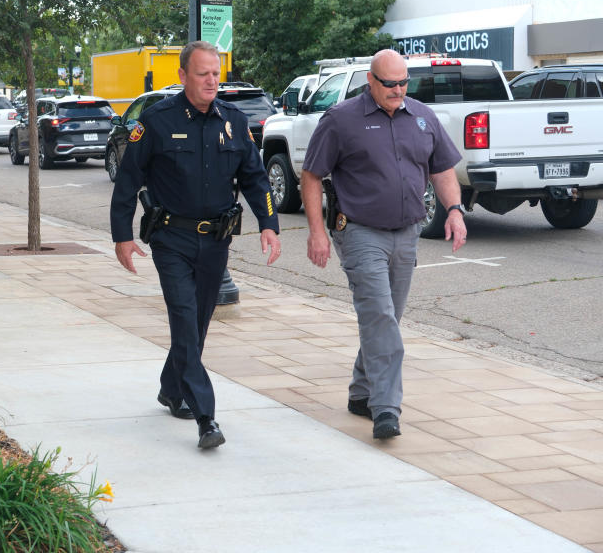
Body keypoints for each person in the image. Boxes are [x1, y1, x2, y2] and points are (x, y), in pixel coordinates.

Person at [110, 41, 282, 450]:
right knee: (185, 320)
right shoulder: (155, 121)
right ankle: (205, 416)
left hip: (216, 241)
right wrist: (122, 235)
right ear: (183, 76)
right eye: (203, 73)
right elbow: (128, 180)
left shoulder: (235, 122)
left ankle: (172, 387)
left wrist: (269, 224)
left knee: (199, 322)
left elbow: (256, 179)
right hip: (171, 239)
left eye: (215, 73)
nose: (211, 80)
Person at [301, 49, 467, 441]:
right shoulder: (341, 120)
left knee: (386, 317)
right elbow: (310, 176)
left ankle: (361, 393)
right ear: (371, 81)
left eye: (403, 82)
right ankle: (386, 408)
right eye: (389, 83)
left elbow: (442, 169)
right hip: (359, 232)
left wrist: (456, 210)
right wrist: (316, 232)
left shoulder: (423, 117)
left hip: (407, 232)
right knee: (379, 316)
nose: (397, 90)